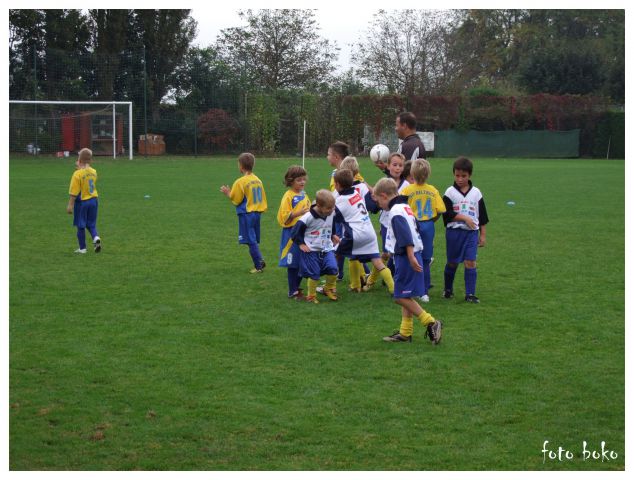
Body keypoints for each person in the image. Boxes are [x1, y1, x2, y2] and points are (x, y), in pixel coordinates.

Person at [372, 178, 443, 344]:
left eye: (378, 201)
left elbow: (405, 235)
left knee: (399, 296)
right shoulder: (405, 207)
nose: (379, 205)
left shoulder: (395, 211)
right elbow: (413, 228)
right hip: (411, 253)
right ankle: (405, 333)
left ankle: (431, 322)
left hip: (407, 256)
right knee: (407, 294)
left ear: (384, 196)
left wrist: (410, 256)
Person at [332, 169, 394, 294]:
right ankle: (393, 289)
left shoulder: (340, 201)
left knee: (334, 254)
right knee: (376, 262)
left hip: (356, 234)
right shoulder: (356, 193)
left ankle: (330, 286)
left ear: (337, 184)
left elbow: (331, 216)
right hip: (370, 233)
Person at [442, 156, 489, 303]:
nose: (460, 179)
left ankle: (470, 294)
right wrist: (464, 218)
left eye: (464, 176)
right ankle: (448, 289)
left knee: (470, 261)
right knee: (452, 262)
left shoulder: (476, 193)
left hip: (471, 234)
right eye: (457, 175)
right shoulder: (449, 192)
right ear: (453, 174)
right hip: (454, 233)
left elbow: (482, 216)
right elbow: (447, 215)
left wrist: (483, 235)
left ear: (470, 175)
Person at [401, 159, 446, 302]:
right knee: (425, 260)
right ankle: (424, 291)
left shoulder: (407, 190)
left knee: (411, 256)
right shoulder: (433, 190)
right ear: (428, 174)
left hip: (412, 225)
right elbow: (441, 210)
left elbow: (400, 208)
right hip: (428, 225)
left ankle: (410, 288)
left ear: (412, 173)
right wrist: (432, 220)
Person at [220, 152, 267, 273]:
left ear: (240, 166)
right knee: (253, 239)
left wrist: (227, 193)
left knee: (250, 240)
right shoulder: (257, 180)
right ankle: (259, 260)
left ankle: (259, 263)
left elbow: (236, 199)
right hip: (257, 212)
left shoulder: (240, 181)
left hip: (247, 213)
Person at [291, 189, 340, 304]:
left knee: (333, 269)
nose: (332, 210)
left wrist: (333, 235)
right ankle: (311, 296)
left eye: (333, 207)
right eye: (329, 208)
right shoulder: (307, 217)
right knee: (314, 273)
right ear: (319, 205)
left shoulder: (331, 212)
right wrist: (301, 243)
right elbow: (294, 233)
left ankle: (328, 289)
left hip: (327, 248)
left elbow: (330, 224)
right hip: (311, 250)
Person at [277, 165, 311, 299]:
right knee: (293, 263)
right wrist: (299, 212)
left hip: (304, 232)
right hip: (292, 233)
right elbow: (284, 216)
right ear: (291, 181)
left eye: (304, 179)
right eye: (299, 180)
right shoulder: (288, 196)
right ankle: (293, 291)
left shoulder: (304, 194)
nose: (302, 182)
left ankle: (296, 288)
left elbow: (307, 209)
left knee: (304, 260)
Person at [66, 148, 101, 254]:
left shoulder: (77, 174)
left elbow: (74, 192)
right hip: (94, 200)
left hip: (82, 202)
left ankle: (82, 248)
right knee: (91, 224)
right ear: (90, 161)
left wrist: (70, 205)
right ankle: (96, 238)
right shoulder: (94, 172)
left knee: (80, 225)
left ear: (79, 160)